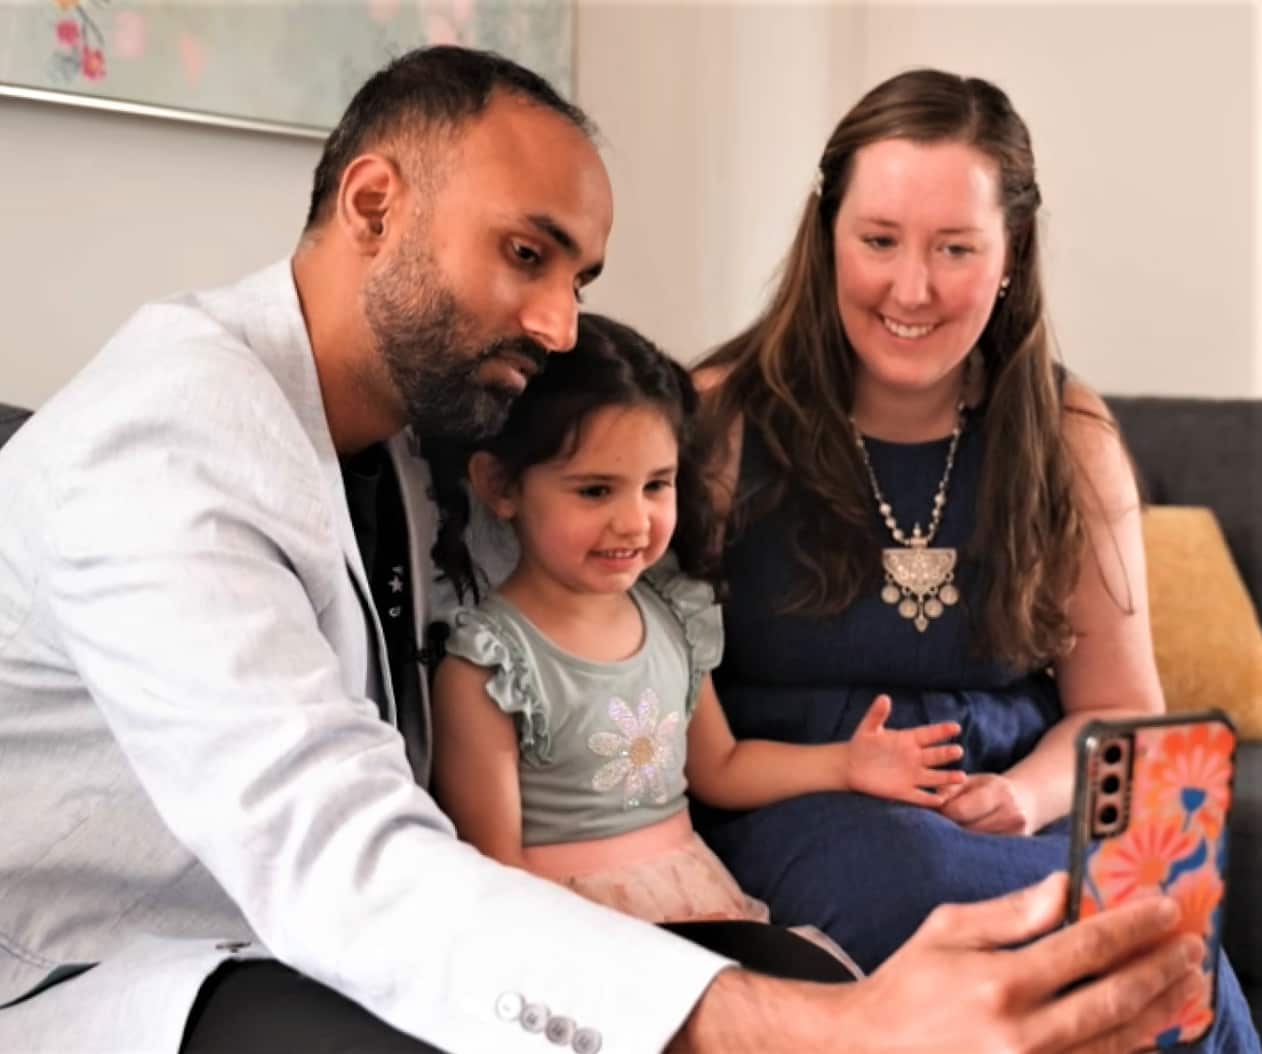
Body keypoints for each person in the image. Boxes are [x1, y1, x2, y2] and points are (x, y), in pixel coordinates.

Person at [0, 45, 1209, 1054]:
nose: (558, 323)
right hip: (100, 964)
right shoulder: (169, 443)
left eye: (577, 277)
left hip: (309, 933)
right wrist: (829, 1027)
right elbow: (339, 860)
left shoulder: (434, 436)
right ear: (372, 206)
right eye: (525, 255)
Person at [690, 68, 1260, 1051]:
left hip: (1019, 813)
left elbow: (1120, 715)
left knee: (1170, 959)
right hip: (802, 813)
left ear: (1011, 254)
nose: (911, 288)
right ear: (825, 236)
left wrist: (1021, 796)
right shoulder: (719, 421)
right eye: (878, 241)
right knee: (923, 893)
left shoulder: (1067, 433)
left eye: (954, 248)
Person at [428, 312, 959, 962]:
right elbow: (495, 871)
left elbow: (720, 767)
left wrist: (847, 764)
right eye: (595, 491)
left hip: (699, 897)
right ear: (500, 486)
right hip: (578, 936)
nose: (635, 522)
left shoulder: (672, 616)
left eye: (657, 485)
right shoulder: (492, 667)